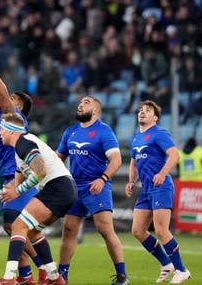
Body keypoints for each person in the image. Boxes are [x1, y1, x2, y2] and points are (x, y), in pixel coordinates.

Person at [0, 53, 49, 284]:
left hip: (20, 176)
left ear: (19, 105)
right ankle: (28, 276)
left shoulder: (14, 116)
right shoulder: (2, 114)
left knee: (15, 225)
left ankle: (45, 271)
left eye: (11, 98)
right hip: (10, 174)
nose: (6, 98)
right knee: (18, 228)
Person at [0, 112, 76, 285]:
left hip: (57, 187)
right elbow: (15, 184)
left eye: (2, 129)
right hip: (63, 188)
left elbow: (41, 171)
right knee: (33, 231)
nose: (0, 133)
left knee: (18, 225)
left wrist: (18, 190)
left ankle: (9, 278)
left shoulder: (23, 143)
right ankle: (54, 278)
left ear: (11, 130)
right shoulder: (19, 149)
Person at [56, 96, 129, 285]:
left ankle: (122, 276)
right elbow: (58, 157)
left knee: (104, 229)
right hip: (74, 186)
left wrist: (103, 179)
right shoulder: (70, 132)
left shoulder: (104, 131)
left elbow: (116, 160)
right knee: (69, 229)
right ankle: (62, 276)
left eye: (86, 102)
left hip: (97, 186)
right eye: (80, 102)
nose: (81, 104)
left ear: (96, 110)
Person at [125, 100, 191, 284]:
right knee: (138, 230)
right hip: (146, 190)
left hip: (161, 187)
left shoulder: (159, 133)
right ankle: (166, 263)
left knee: (161, 230)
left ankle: (181, 269)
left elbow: (174, 154)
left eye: (147, 110)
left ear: (155, 117)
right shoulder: (136, 138)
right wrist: (131, 181)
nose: (142, 112)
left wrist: (162, 173)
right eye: (140, 110)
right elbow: (133, 162)